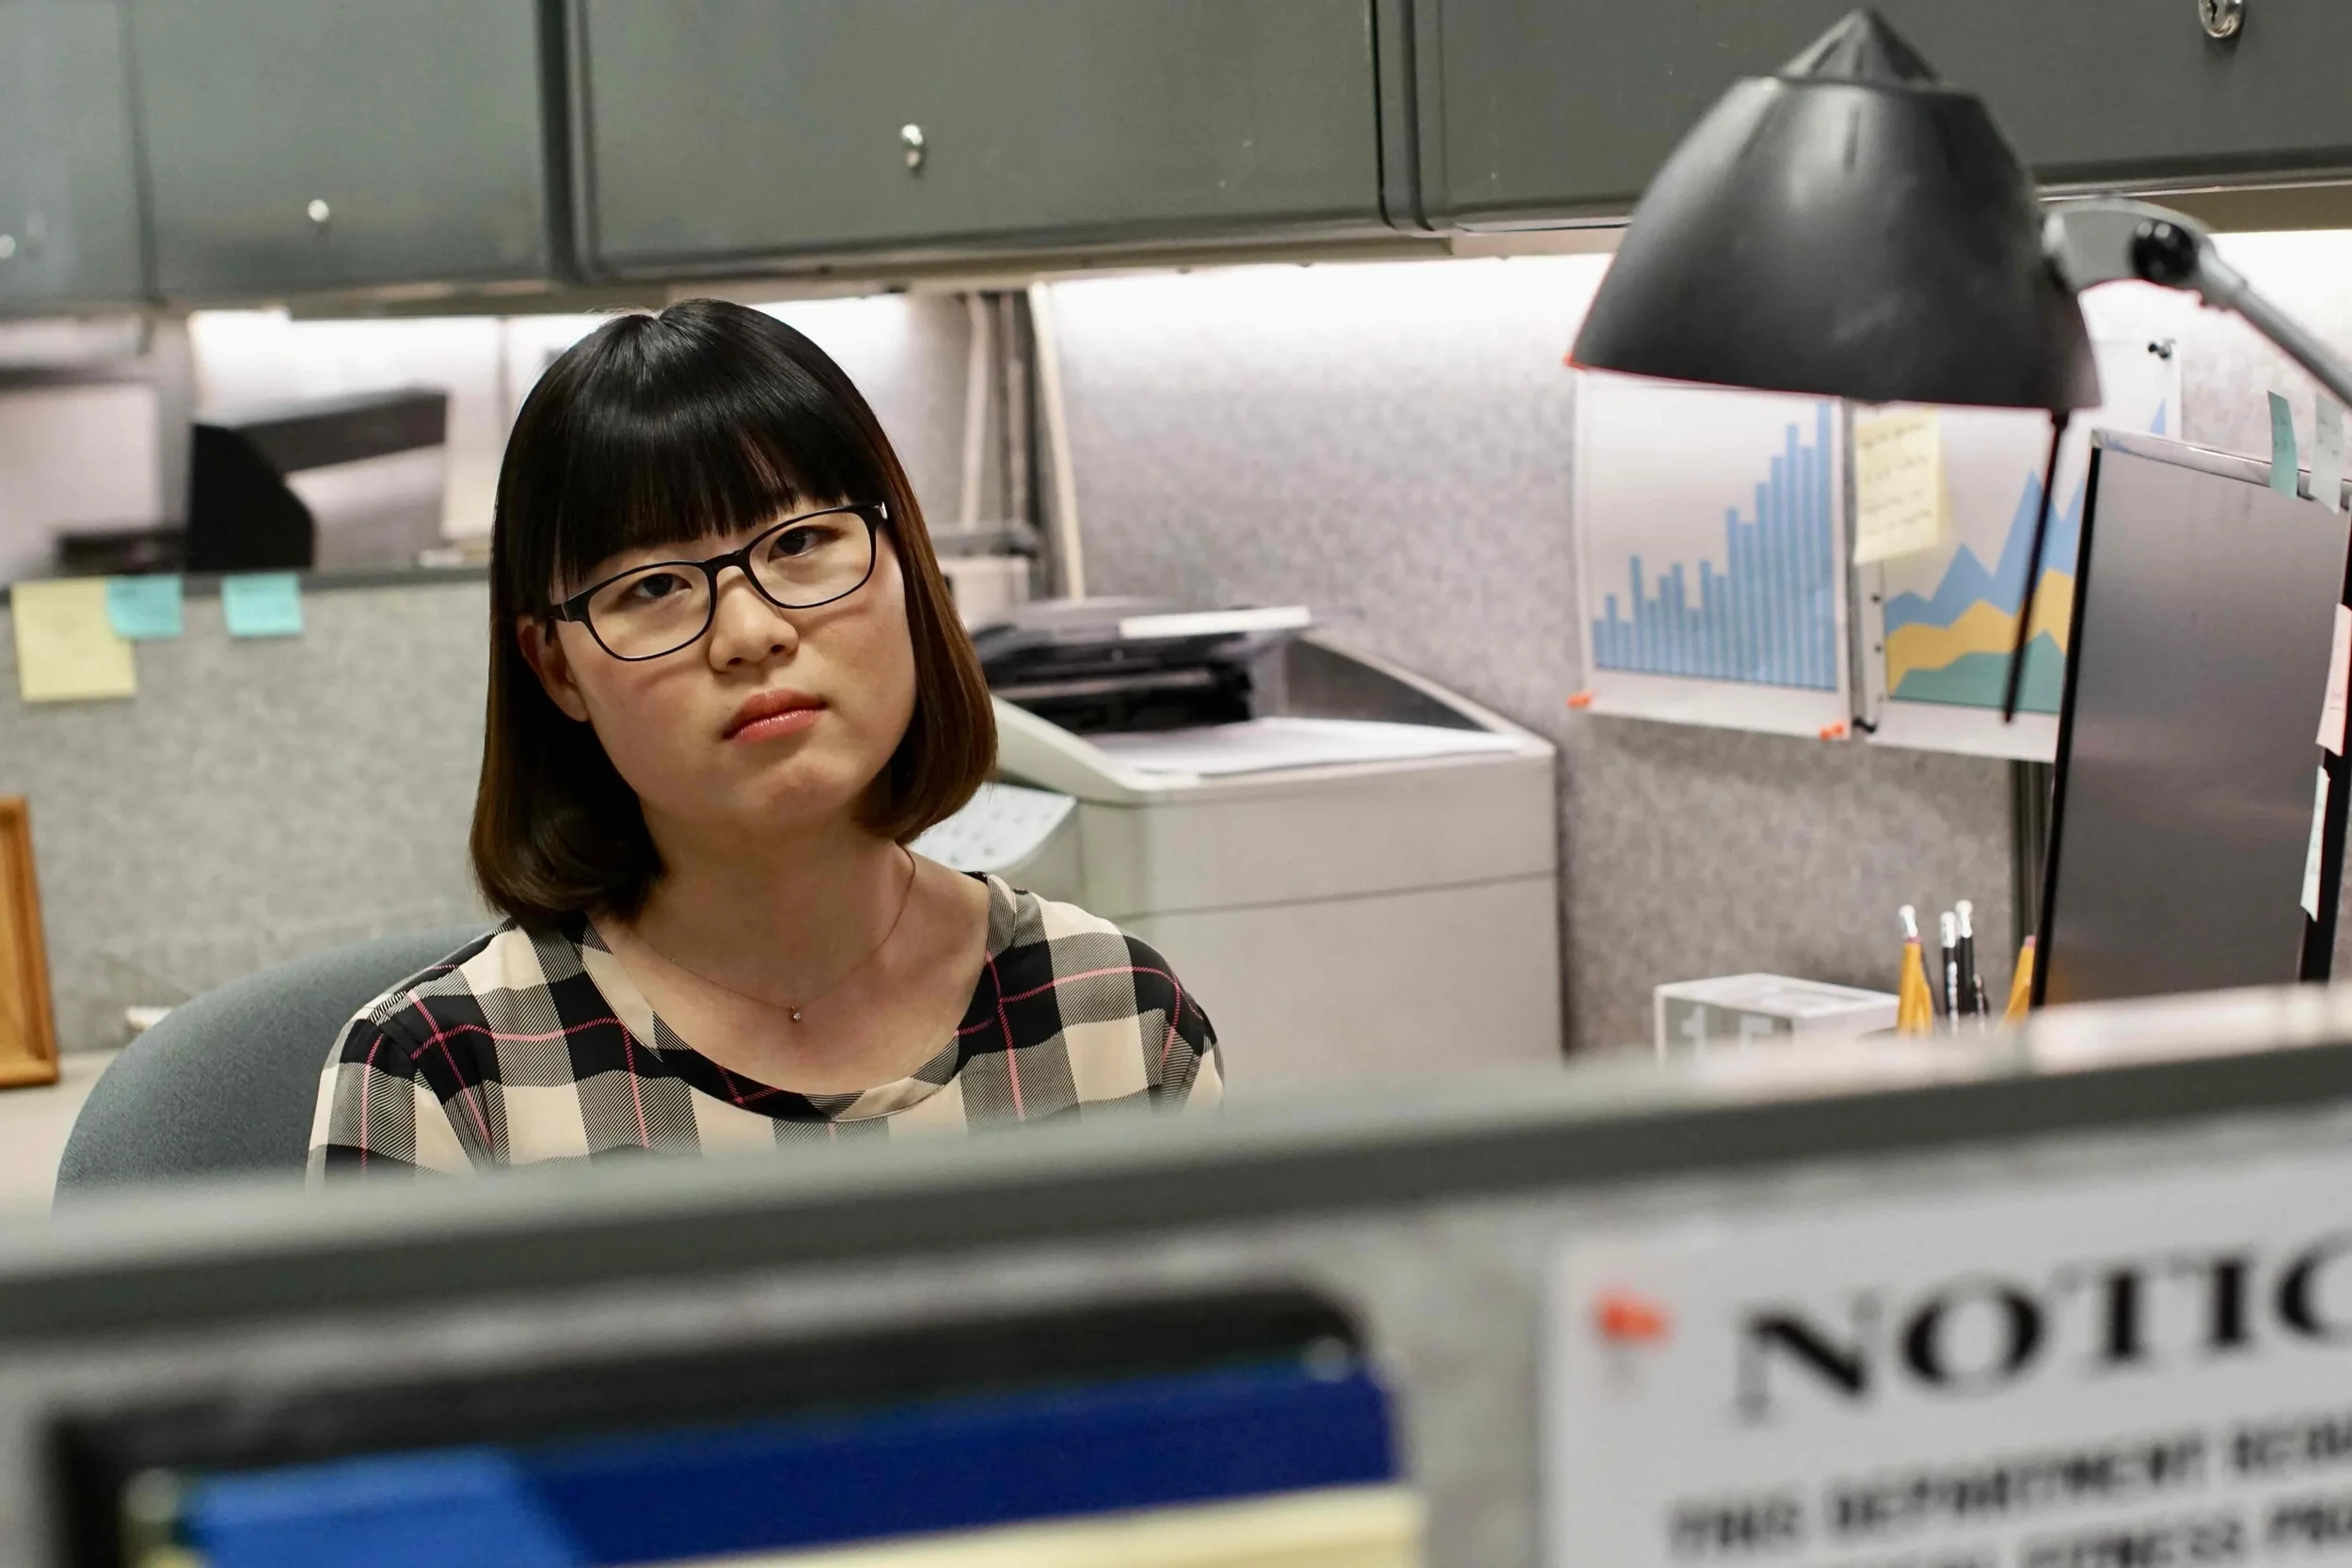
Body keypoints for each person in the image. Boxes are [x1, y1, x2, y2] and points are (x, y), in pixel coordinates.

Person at [309, 300, 1220, 1177]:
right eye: (654, 586)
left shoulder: (1113, 1018)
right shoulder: (445, 1083)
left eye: (800, 541)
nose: (749, 632)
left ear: (909, 564)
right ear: (556, 669)